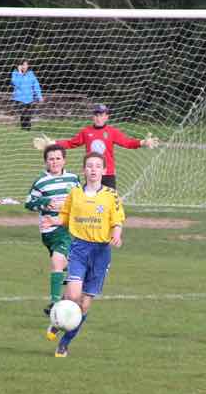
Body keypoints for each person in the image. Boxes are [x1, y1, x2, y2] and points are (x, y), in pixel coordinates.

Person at [41, 152, 125, 357]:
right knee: (72, 295)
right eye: (89, 166)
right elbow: (65, 216)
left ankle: (64, 343)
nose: (93, 169)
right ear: (84, 170)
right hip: (79, 248)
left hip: (101, 252)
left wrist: (116, 234)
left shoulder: (111, 195)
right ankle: (57, 317)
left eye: (97, 166)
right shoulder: (75, 193)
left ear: (104, 170)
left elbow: (117, 220)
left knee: (84, 305)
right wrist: (54, 221)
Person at [33, 104, 159, 188]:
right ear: (93, 117)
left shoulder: (112, 132)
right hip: (91, 171)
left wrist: (142, 142)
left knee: (110, 202)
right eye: (97, 115)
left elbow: (127, 142)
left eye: (102, 115)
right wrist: (54, 143)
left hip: (108, 172)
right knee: (91, 201)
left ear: (106, 117)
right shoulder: (86, 132)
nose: (99, 118)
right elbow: (71, 143)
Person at [25, 144, 80, 316]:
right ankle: (71, 286)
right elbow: (29, 203)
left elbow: (80, 200)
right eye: (51, 159)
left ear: (64, 160)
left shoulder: (73, 179)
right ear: (45, 162)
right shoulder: (41, 182)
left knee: (57, 262)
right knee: (66, 265)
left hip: (66, 229)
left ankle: (56, 304)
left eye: (58, 158)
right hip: (48, 232)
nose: (55, 162)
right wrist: (44, 202)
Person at [11, 59, 43, 130]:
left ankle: (24, 129)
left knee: (28, 114)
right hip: (19, 99)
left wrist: (39, 96)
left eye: (26, 65)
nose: (24, 66)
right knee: (25, 113)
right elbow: (16, 83)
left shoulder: (31, 74)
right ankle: (27, 129)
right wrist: (20, 73)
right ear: (19, 66)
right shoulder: (15, 73)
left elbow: (36, 85)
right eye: (23, 65)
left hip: (30, 99)